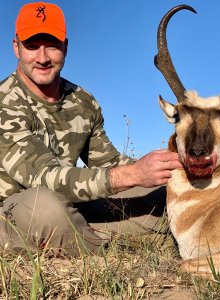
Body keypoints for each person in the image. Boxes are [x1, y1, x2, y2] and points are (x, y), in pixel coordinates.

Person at [0, 2, 182, 256]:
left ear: (65, 46)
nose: (42, 57)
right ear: (16, 48)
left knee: (162, 194)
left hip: (72, 205)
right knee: (44, 208)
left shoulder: (83, 101)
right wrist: (132, 174)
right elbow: (44, 178)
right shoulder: (4, 102)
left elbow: (109, 162)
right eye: (32, 45)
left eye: (51, 44)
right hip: (15, 210)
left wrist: (166, 169)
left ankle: (84, 237)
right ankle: (109, 252)